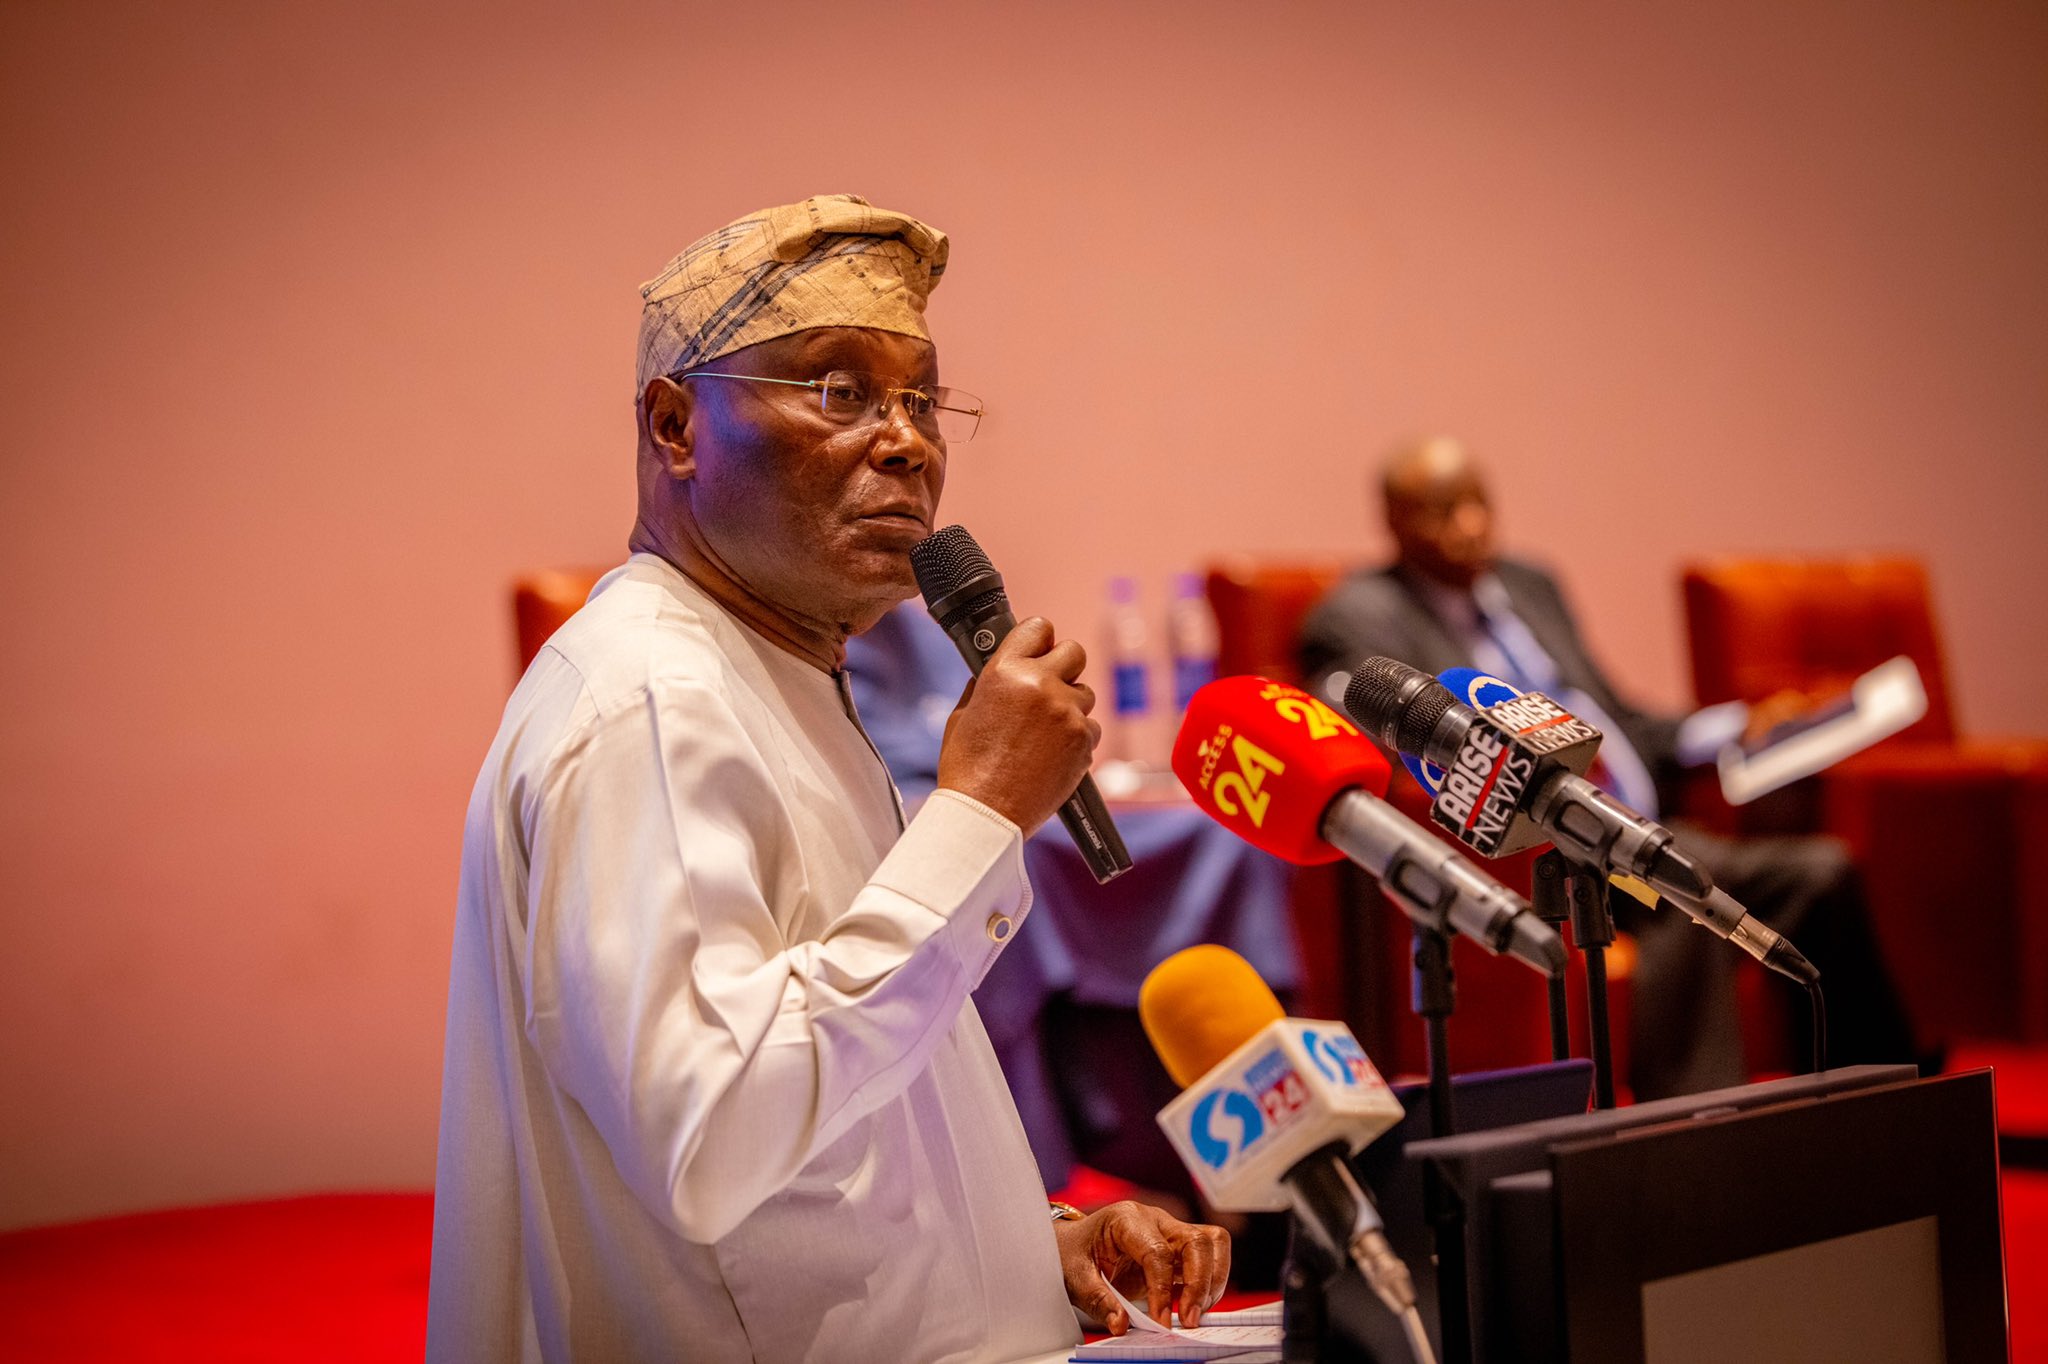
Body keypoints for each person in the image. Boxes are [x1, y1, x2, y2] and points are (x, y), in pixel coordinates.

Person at [427, 196, 1228, 1363]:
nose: (904, 440)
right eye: (838, 391)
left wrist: (1025, 1244)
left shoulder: (776, 671)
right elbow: (708, 1138)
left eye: (919, 400)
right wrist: (978, 810)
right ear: (675, 425)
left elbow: (818, 1125)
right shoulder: (653, 698)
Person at [1297, 435, 1922, 1100]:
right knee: (1686, 905)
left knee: (1822, 874)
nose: (1471, 525)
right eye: (1443, 509)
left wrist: (1742, 724)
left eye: (1480, 502)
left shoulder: (1527, 585)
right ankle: (1697, 1135)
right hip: (1540, 852)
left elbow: (1617, 717)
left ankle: (1880, 1097)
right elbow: (1399, 752)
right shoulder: (1356, 619)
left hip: (1647, 822)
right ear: (1394, 520)